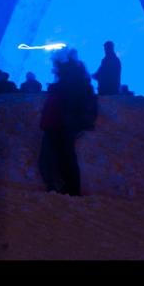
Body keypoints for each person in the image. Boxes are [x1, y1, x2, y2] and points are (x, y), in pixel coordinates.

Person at [39, 49, 98, 196]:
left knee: (59, 157)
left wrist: (74, 120)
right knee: (61, 156)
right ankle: (66, 188)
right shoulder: (74, 79)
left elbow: (69, 102)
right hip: (61, 123)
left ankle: (65, 188)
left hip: (62, 124)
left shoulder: (69, 80)